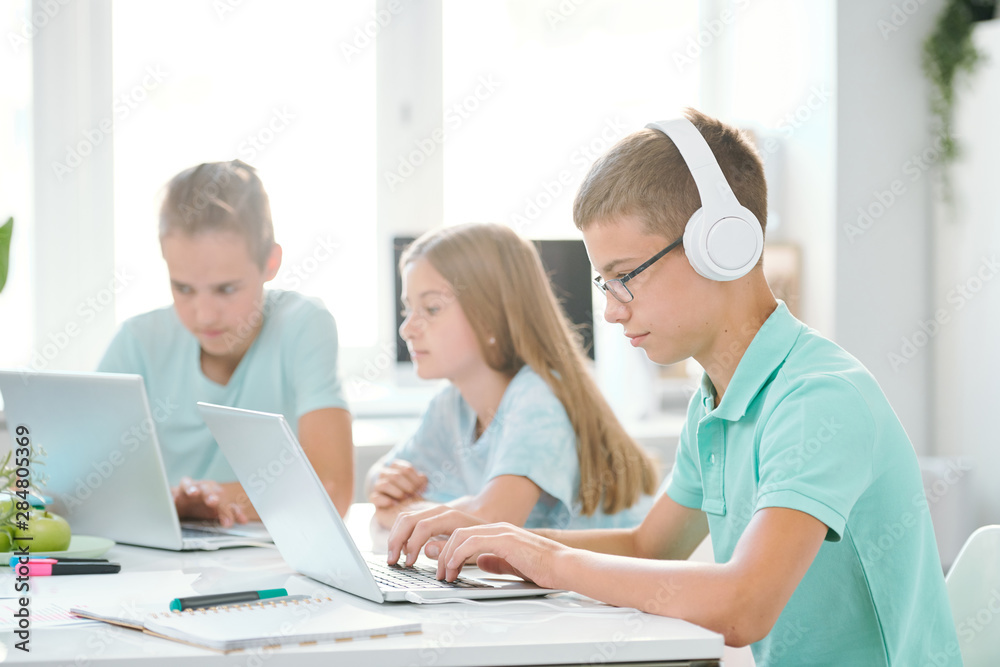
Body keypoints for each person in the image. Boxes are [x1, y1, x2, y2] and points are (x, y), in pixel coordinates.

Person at [385, 111, 961, 666]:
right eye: (603, 282)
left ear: (724, 245)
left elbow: (744, 606)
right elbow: (647, 548)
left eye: (625, 277)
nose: (610, 311)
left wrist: (551, 558)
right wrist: (504, 543)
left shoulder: (818, 398)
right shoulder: (714, 400)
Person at [98, 160, 353, 524]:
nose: (203, 315)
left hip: (265, 563)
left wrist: (206, 502)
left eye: (226, 289)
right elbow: (80, 488)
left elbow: (331, 489)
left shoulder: (302, 324)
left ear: (271, 262)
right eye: (182, 288)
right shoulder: (137, 340)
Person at [366, 222, 658, 532]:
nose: (407, 329)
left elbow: (491, 522)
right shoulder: (451, 405)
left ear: (492, 318)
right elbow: (380, 478)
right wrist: (386, 482)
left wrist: (404, 512)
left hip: (605, 578)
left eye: (432, 308)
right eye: (407, 309)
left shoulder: (537, 398)